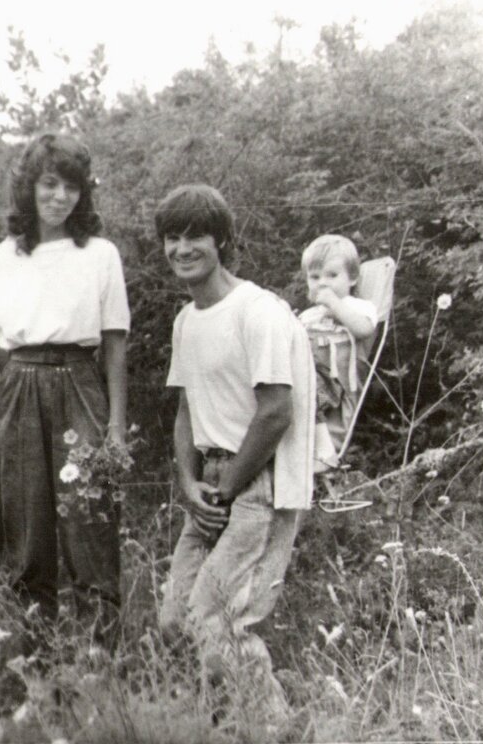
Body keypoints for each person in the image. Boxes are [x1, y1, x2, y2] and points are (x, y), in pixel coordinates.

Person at [0, 132, 130, 655]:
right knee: (28, 535)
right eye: (49, 184)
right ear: (28, 189)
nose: (60, 197)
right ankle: (39, 668)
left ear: (84, 195)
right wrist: (2, 417)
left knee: (90, 526)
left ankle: (98, 664)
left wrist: (116, 425)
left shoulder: (99, 254)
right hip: (20, 385)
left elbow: (115, 343)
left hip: (81, 383)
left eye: (72, 188)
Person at [153, 184, 315, 715]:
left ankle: (275, 728)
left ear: (221, 240)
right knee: (175, 618)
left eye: (195, 235)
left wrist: (229, 485)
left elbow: (275, 411)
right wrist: (187, 482)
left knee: (216, 619)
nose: (182, 249)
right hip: (210, 485)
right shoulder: (185, 320)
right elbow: (185, 411)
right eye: (171, 238)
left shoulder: (257, 310)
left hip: (254, 483)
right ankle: (235, 719)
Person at [298, 234, 377, 470]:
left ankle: (325, 451)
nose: (323, 283)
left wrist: (335, 305)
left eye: (332, 275)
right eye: (315, 277)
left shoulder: (356, 306)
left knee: (304, 382)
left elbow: (364, 330)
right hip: (307, 378)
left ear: (352, 278)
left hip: (336, 381)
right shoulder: (308, 315)